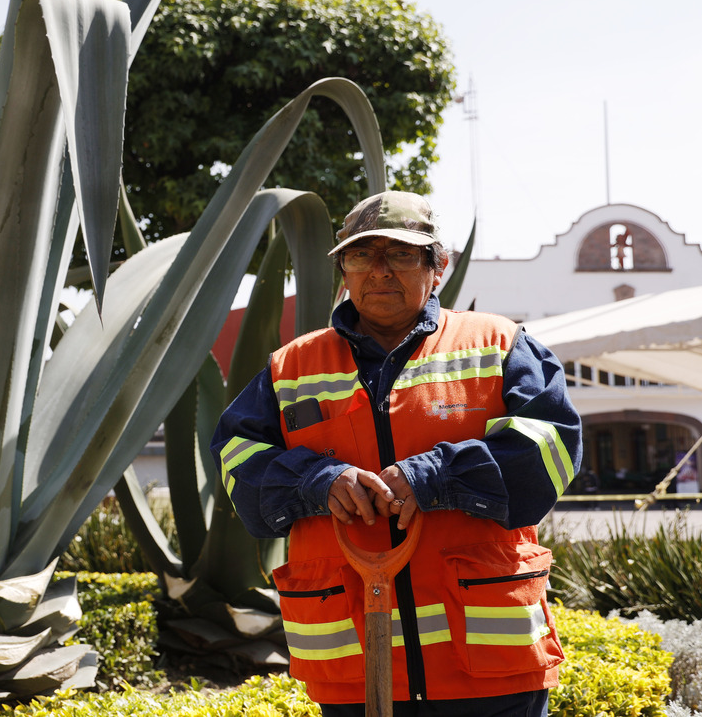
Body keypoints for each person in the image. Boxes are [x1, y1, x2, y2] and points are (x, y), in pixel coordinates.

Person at [211, 191, 582, 716]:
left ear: (439, 267)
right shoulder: (289, 367)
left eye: (403, 254)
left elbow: (553, 447)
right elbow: (235, 459)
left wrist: (434, 478)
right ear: (342, 268)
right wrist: (317, 481)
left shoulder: (500, 344)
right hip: (352, 670)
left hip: (489, 672)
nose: (379, 271)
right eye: (362, 255)